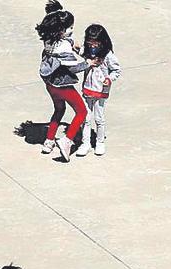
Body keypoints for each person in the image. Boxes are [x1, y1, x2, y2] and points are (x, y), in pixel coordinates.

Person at [36, 1, 89, 160]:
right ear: (61, 30)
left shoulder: (49, 40)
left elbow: (65, 41)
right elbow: (73, 67)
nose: (72, 30)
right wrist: (88, 64)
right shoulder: (63, 48)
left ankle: (49, 140)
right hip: (63, 86)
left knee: (59, 110)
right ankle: (67, 140)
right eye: (70, 28)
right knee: (82, 111)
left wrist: (72, 42)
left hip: (50, 85)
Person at [76, 24, 121, 157]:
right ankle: (85, 143)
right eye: (90, 42)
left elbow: (116, 70)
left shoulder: (108, 55)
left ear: (102, 41)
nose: (93, 45)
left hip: (101, 91)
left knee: (99, 118)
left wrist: (109, 78)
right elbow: (80, 51)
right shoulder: (87, 51)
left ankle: (100, 142)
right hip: (87, 90)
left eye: (95, 42)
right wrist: (75, 47)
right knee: (85, 118)